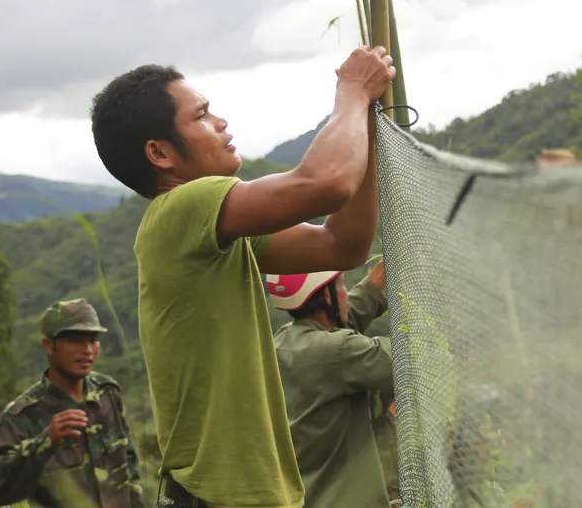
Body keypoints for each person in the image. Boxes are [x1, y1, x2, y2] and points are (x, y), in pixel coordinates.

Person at [89, 45, 395, 508]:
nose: (221, 124)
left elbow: (342, 246)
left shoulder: (220, 236)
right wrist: (351, 92)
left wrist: (365, 129)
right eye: (202, 117)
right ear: (160, 153)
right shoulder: (182, 207)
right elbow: (325, 184)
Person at [0, 299, 143, 508]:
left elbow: (128, 467)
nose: (87, 350)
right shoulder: (22, 416)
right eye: (76, 340)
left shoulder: (107, 393)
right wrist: (45, 442)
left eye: (93, 339)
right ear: (49, 346)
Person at [268, 258, 393, 508]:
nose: (346, 293)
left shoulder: (281, 343)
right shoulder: (337, 353)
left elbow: (337, 330)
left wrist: (373, 286)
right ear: (327, 295)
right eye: (342, 286)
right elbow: (400, 357)